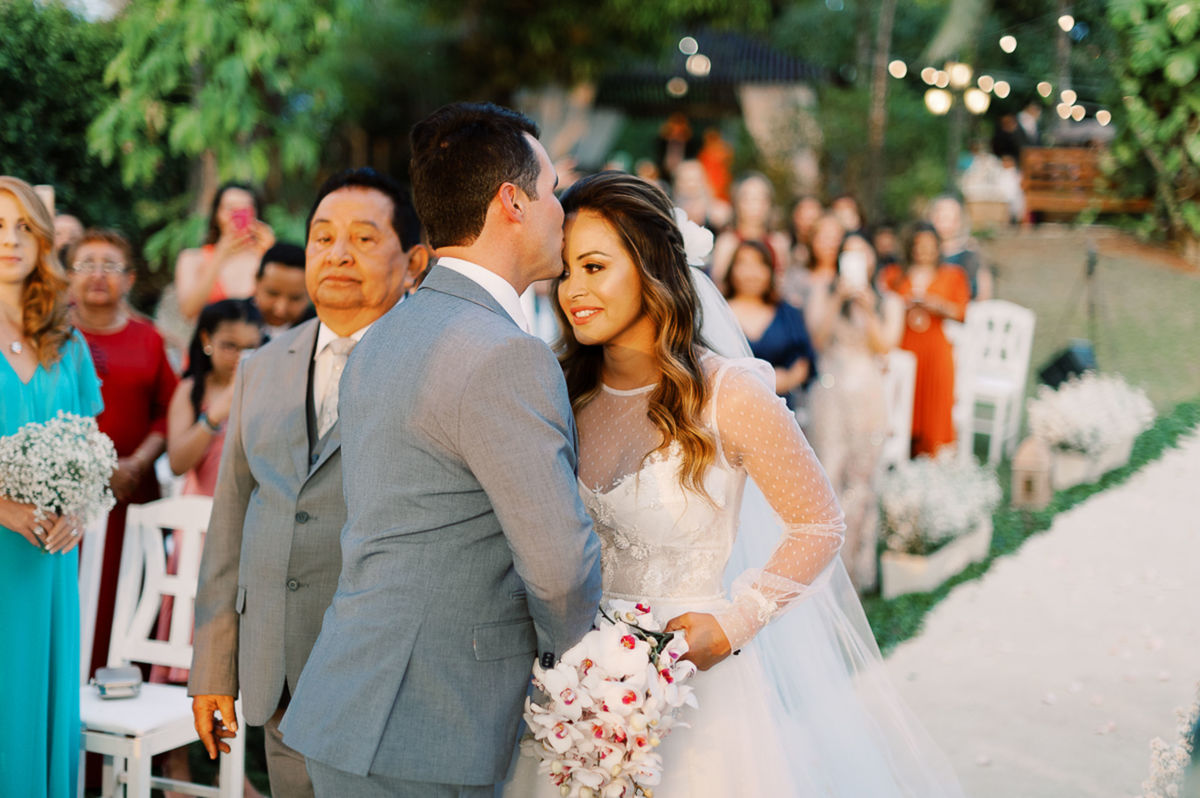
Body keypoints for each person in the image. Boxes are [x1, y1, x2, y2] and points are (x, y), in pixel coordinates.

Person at [503, 171, 965, 797]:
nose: (572, 292)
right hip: (570, 694)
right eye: (564, 272)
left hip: (695, 693)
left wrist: (735, 623)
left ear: (652, 269)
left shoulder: (729, 392)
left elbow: (820, 522)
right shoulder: (560, 389)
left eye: (593, 267)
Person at [280, 103, 602, 797]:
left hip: (350, 701)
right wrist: (587, 668)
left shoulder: (387, 335)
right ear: (511, 202)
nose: (561, 213)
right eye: (551, 192)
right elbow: (558, 571)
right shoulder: (504, 356)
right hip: (432, 724)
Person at [189, 168, 429, 798]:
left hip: (394, 681)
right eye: (323, 237)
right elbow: (233, 517)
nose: (338, 254)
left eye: (363, 238)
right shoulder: (262, 367)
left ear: (415, 262)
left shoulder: (440, 365)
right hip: (282, 676)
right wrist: (214, 667)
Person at [0, 175, 103, 798]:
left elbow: (90, 455)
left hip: (48, 564)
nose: (9, 240)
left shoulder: (69, 345)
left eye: (21, 227)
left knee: (42, 709)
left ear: (43, 240)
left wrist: (80, 510)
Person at [66, 229, 179, 680]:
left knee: (123, 603)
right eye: (86, 264)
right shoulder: (49, 336)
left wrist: (136, 463)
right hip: (64, 501)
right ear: (66, 277)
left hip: (132, 496)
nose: (98, 274)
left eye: (110, 265)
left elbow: (169, 412)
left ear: (129, 279)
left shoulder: (149, 339)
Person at [806, 232, 904, 591]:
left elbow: (884, 347)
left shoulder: (889, 300)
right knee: (828, 476)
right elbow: (816, 339)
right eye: (849, 254)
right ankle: (824, 571)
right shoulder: (822, 291)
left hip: (868, 396)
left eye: (862, 254)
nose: (855, 260)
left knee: (863, 481)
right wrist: (838, 300)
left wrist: (864, 306)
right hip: (830, 395)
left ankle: (857, 572)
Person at [880, 223, 969, 457]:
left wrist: (936, 305)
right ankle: (902, 448)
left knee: (935, 403)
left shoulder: (952, 275)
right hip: (905, 344)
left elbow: (962, 313)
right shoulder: (894, 275)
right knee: (902, 401)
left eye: (929, 246)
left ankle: (932, 453)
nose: (924, 251)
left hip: (935, 348)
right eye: (919, 246)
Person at [723, 239, 816, 408]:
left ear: (771, 271)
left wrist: (786, 380)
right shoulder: (718, 313)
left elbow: (803, 363)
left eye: (760, 264)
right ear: (732, 270)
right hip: (730, 408)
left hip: (781, 408)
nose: (751, 273)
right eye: (743, 264)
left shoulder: (788, 313)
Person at [174, 182, 276, 322]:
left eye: (245, 209)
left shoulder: (265, 258)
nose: (237, 216)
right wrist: (220, 256)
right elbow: (188, 311)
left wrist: (272, 255)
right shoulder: (192, 258)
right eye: (230, 208)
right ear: (217, 214)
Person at [709, 172, 791, 286]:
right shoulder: (727, 243)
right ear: (737, 203)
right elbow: (719, 285)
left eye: (761, 199)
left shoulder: (778, 243)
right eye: (748, 199)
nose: (756, 205)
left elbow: (782, 284)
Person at [928, 194, 993, 300]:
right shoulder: (921, 252)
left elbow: (984, 291)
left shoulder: (971, 252)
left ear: (959, 220)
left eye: (949, 217)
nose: (944, 223)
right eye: (940, 216)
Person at [252, 242, 311, 339]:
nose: (280, 309)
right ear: (257, 281)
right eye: (272, 294)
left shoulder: (320, 331)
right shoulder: (228, 318)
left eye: (295, 298)